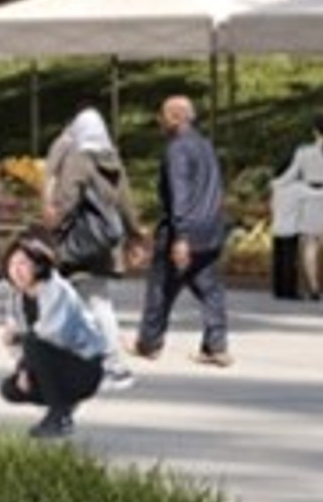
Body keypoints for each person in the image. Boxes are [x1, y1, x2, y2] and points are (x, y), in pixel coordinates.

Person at [43, 102, 139, 390]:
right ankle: (101, 363)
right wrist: (134, 233)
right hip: (104, 244)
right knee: (96, 302)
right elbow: (126, 202)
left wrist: (53, 227)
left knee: (76, 302)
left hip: (77, 243)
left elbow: (68, 200)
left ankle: (110, 364)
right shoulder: (112, 159)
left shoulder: (79, 158)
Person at [134, 95, 230, 368]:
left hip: (183, 231)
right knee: (210, 290)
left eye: (162, 115)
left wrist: (182, 235)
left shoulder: (177, 149)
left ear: (176, 117)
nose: (159, 121)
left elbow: (180, 193)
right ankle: (216, 345)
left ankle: (149, 342)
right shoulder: (205, 145)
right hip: (209, 229)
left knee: (160, 286)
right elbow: (214, 189)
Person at [0, 237, 110, 440]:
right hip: (55, 363)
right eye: (12, 264)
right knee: (10, 388)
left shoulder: (57, 290)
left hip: (84, 367)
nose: (16, 270)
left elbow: (52, 334)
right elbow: (25, 341)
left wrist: (18, 339)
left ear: (39, 265)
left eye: (23, 263)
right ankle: (64, 405)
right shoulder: (17, 298)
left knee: (33, 342)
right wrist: (22, 368)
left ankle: (59, 416)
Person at [272, 119, 323, 303]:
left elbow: (291, 174)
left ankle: (314, 288)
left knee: (310, 244)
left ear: (315, 131)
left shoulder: (303, 152)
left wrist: (275, 184)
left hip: (309, 198)